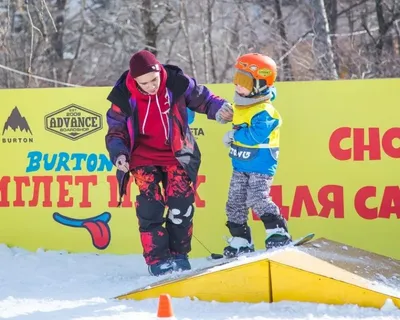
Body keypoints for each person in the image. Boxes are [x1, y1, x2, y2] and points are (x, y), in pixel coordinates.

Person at [104, 50, 233, 276]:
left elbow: (205, 99)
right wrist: (119, 154)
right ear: (135, 81)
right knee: (150, 207)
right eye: (144, 83)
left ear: (159, 72)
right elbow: (116, 130)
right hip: (142, 157)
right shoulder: (123, 95)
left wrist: (219, 108)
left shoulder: (176, 82)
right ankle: (158, 259)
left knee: (181, 206)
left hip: (177, 153)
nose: (152, 86)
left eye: (154, 80)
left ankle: (179, 255)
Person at [221, 52, 291, 258]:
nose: (237, 86)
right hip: (240, 164)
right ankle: (241, 239)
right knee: (234, 202)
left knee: (257, 198)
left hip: (260, 165)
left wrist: (234, 134)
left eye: (243, 82)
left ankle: (278, 231)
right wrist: (224, 114)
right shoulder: (243, 103)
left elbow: (255, 135)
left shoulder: (265, 111)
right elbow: (233, 114)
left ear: (260, 84)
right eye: (236, 79)